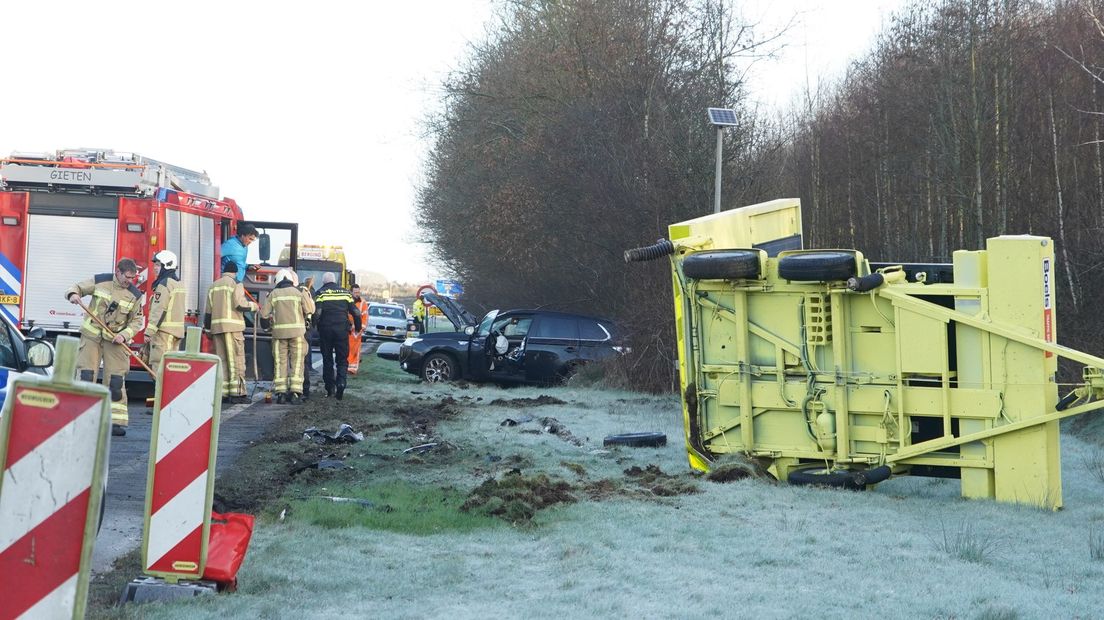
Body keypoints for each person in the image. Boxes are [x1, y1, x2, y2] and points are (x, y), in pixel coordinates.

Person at [66, 258, 146, 437]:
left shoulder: (135, 295)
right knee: (87, 376)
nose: (130, 281)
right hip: (92, 337)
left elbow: (137, 321)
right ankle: (83, 419)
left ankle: (115, 422)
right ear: (118, 272)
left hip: (115, 340)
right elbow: (76, 287)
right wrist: (73, 295)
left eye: (133, 278)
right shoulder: (101, 280)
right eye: (127, 277)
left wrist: (124, 335)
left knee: (116, 381)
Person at [204, 262, 257, 404]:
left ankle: (223, 393)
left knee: (222, 361)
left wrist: (208, 329)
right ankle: (237, 393)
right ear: (235, 272)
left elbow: (208, 312)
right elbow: (240, 304)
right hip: (233, 328)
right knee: (236, 361)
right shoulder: (236, 284)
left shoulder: (213, 286)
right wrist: (253, 306)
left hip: (217, 329)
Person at [260, 269, 314, 404]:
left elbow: (264, 315)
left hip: (279, 335)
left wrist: (267, 328)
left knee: (280, 363)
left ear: (277, 281)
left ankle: (281, 394)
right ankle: (296, 393)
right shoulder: (299, 292)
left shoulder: (273, 294)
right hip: (297, 334)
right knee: (297, 363)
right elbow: (310, 310)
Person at [313, 272, 361, 400]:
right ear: (335, 281)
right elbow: (356, 312)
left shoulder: (320, 292)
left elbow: (317, 313)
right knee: (342, 359)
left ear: (324, 282)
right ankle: (341, 383)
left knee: (327, 359)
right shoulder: (345, 293)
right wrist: (358, 327)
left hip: (326, 330)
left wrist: (313, 326)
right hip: (342, 330)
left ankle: (330, 389)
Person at [144, 250, 185, 376]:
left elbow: (159, 310)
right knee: (170, 370)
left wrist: (148, 332)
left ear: (166, 266)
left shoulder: (164, 284)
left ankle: (160, 396)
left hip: (163, 334)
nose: (155, 268)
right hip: (174, 334)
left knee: (160, 370)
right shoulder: (178, 283)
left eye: (158, 265)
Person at [346, 284, 369, 375]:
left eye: (358, 292)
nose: (357, 294)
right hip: (347, 330)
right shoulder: (347, 301)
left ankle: (353, 369)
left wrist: (360, 329)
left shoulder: (363, 303)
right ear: (351, 292)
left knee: (355, 351)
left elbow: (365, 317)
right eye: (355, 292)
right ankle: (346, 366)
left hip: (356, 332)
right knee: (345, 350)